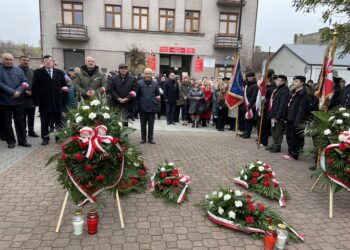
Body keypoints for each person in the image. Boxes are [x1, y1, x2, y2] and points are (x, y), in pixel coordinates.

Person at [32, 55, 67, 145]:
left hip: (57, 101)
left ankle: (59, 137)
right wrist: (36, 101)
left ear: (53, 62)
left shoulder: (60, 72)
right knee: (44, 122)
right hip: (44, 101)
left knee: (58, 121)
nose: (48, 62)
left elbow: (64, 86)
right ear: (43, 62)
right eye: (46, 60)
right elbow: (34, 88)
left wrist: (64, 100)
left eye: (50, 60)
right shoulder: (38, 72)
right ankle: (45, 138)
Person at [0, 53, 31, 148]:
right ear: (2, 60)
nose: (9, 61)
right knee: (7, 123)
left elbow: (25, 83)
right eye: (6, 59)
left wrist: (18, 92)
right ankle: (11, 141)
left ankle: (22, 141)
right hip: (5, 101)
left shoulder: (19, 71)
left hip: (19, 101)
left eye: (10, 59)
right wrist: (12, 92)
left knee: (21, 122)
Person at [283, 76, 310, 160]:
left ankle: (294, 154)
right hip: (289, 118)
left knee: (295, 138)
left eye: (296, 81)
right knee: (289, 137)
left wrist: (297, 122)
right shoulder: (293, 92)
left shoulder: (303, 94)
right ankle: (290, 152)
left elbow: (301, 110)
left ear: (302, 83)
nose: (294, 83)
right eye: (294, 81)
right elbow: (287, 106)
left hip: (295, 120)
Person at [137, 68, 160, 144]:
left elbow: (157, 96)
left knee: (151, 125)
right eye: (146, 73)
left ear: (151, 75)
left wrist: (157, 105)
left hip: (152, 107)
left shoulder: (155, 83)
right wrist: (138, 105)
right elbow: (137, 95)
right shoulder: (139, 83)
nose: (148, 75)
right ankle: (143, 138)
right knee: (143, 124)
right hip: (142, 107)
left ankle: (150, 138)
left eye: (149, 73)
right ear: (144, 74)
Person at [267, 75, 289, 153]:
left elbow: (282, 105)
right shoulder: (277, 90)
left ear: (283, 81)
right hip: (273, 113)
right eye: (276, 80)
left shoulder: (285, 91)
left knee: (278, 131)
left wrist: (278, 116)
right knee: (273, 130)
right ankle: (274, 143)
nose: (276, 81)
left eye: (279, 80)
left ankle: (277, 146)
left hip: (278, 115)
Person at [18, 55, 39, 137]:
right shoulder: (16, 71)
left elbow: (36, 84)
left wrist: (33, 92)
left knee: (31, 116)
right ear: (19, 61)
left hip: (31, 99)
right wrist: (23, 92)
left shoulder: (32, 71)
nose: (26, 62)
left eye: (27, 60)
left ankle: (31, 131)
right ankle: (23, 132)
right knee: (22, 117)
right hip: (21, 99)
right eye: (24, 60)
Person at [259, 70, 276, 146]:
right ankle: (261, 139)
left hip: (268, 108)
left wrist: (266, 100)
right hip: (263, 107)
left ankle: (264, 141)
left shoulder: (272, 87)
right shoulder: (266, 86)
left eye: (265, 77)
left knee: (265, 126)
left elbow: (272, 98)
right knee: (261, 125)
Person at [241, 72, 259, 138]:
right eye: (247, 77)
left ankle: (248, 133)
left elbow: (253, 97)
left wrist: (249, 105)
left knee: (249, 120)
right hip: (245, 105)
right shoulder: (247, 85)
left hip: (250, 105)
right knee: (245, 119)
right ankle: (245, 131)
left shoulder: (255, 86)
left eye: (250, 77)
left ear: (253, 77)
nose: (248, 78)